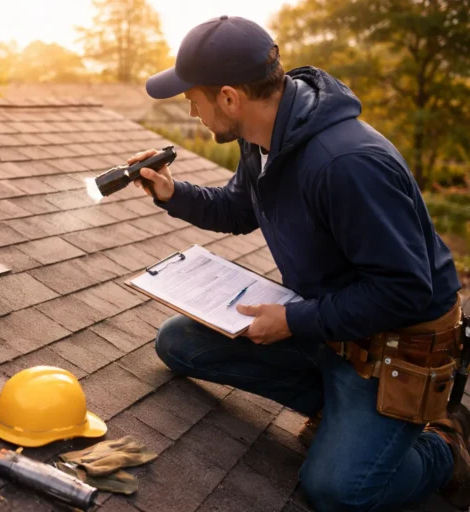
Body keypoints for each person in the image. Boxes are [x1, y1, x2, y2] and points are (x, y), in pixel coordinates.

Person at [132, 15, 467, 511]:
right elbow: (239, 208)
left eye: (192, 96)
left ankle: (442, 443)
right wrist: (173, 192)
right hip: (329, 327)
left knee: (337, 491)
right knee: (178, 342)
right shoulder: (262, 138)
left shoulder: (346, 163)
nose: (190, 107)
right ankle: (341, 413)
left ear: (229, 97)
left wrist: (293, 320)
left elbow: (406, 291)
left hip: (392, 349)